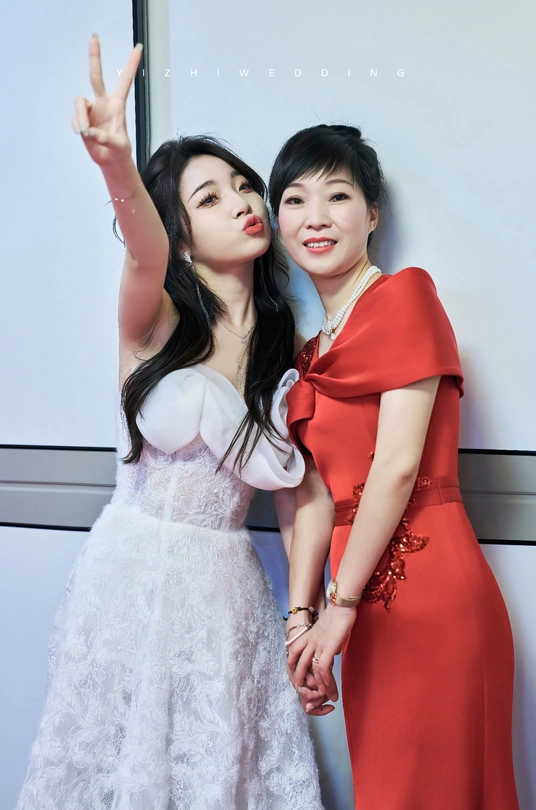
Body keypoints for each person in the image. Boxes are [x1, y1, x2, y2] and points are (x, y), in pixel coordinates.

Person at [16, 38, 323, 810]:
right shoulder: (154, 318)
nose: (244, 201)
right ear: (180, 233)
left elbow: (296, 494)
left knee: (220, 774)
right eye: (210, 197)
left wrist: (305, 616)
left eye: (243, 185)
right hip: (133, 582)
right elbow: (143, 253)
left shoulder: (285, 340)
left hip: (226, 590)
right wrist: (118, 167)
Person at [268, 123, 520, 809]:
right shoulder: (307, 353)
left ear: (372, 215)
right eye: (295, 200)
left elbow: (398, 467)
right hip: (356, 610)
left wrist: (338, 609)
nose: (316, 217)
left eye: (338, 196)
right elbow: (314, 496)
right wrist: (302, 622)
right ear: (278, 222)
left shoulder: (406, 297)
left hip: (432, 591)